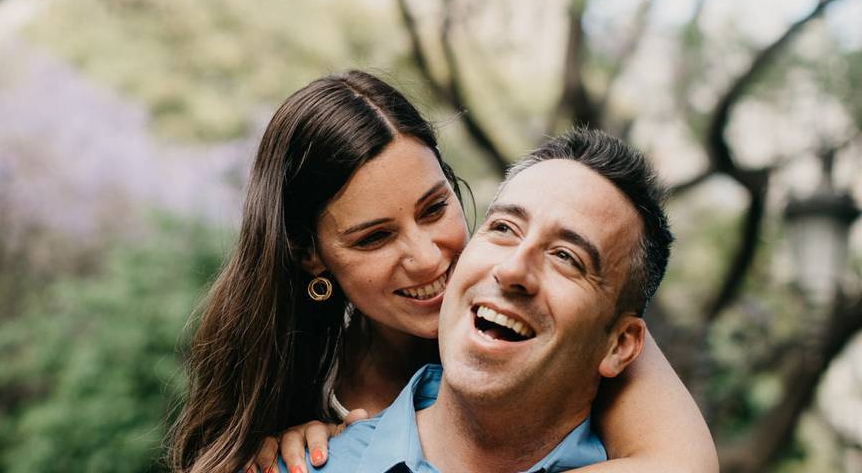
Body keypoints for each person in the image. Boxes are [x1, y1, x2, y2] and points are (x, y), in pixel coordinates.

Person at [167, 71, 717, 473]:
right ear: (311, 256)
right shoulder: (291, 398)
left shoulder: (557, 316)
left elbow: (683, 463)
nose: (430, 258)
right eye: (375, 237)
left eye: (435, 208)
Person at [277, 128, 703, 473]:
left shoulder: (655, 450)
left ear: (620, 344)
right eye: (503, 228)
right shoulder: (294, 454)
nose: (514, 269)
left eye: (566, 257)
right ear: (312, 258)